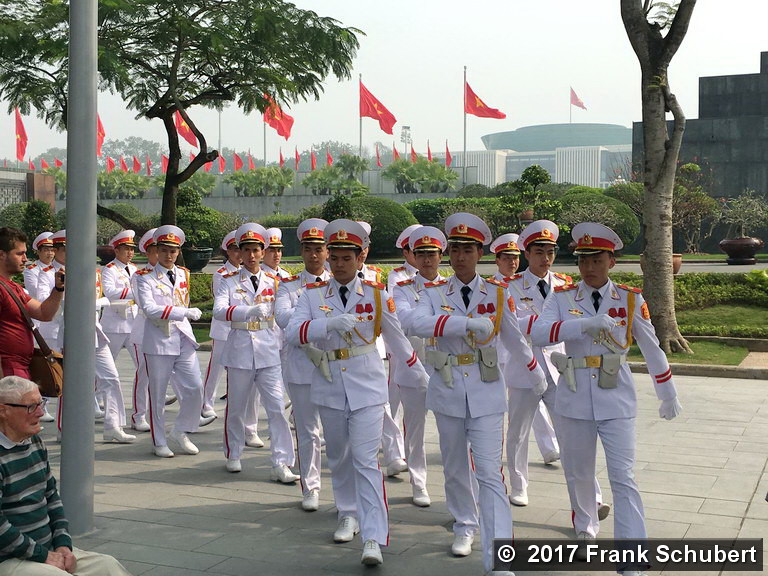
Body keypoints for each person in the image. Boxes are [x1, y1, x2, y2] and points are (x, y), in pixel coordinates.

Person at [531, 222, 682, 576]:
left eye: (596, 259)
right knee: (579, 472)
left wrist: (667, 392)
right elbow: (538, 332)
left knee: (623, 477)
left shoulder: (630, 299)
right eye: (583, 259)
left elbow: (652, 348)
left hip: (616, 398)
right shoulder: (563, 297)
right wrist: (582, 325)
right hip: (573, 395)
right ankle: (585, 527)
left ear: (611, 261)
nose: (588, 267)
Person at [409, 213, 546, 576]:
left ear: (480, 253)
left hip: (486, 390)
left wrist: (535, 374)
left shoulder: (499, 293)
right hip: (449, 387)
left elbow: (516, 338)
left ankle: (500, 553)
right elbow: (416, 323)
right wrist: (463, 323)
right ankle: (464, 525)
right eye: (454, 249)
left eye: (467, 249)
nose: (459, 256)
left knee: (488, 471)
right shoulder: (433, 292)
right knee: (455, 467)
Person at [286, 219, 427, 567]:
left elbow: (397, 339)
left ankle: (374, 536)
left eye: (346, 257)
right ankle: (347, 513)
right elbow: (292, 333)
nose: (339, 264)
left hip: (367, 386)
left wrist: (420, 374)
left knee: (366, 459)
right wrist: (326, 324)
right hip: (330, 384)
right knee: (339, 456)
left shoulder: (378, 295)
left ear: (359, 257)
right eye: (334, 258)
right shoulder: (313, 295)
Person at [0, 375, 133, 575]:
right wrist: (43, 556)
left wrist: (63, 545)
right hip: (10, 558)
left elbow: (52, 497)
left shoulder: (34, 441)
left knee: (109, 567)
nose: (41, 412)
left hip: (46, 550)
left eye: (41, 403)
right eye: (31, 407)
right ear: (4, 410)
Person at [212, 223, 298, 480]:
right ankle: (234, 453)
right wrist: (246, 311)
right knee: (237, 407)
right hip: (239, 348)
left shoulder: (276, 280)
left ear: (263, 252)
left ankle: (282, 461)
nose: (251, 255)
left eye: (256, 250)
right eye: (246, 250)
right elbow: (218, 311)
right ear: (239, 252)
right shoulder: (228, 281)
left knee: (275, 409)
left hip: (269, 349)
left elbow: (285, 311)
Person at [134, 225, 214, 458]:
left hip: (183, 338)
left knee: (195, 388)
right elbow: (149, 309)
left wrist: (183, 316)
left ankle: (180, 430)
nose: (170, 255)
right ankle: (159, 440)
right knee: (158, 394)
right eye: (165, 250)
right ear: (156, 251)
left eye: (174, 250)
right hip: (159, 340)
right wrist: (183, 313)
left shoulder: (183, 273)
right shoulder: (144, 277)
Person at [494, 227, 560, 505]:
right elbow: (505, 326)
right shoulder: (509, 286)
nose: (545, 259)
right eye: (539, 253)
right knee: (518, 431)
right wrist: (536, 325)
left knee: (572, 430)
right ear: (527, 254)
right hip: (523, 367)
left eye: (550, 252)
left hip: (558, 367)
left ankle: (591, 497)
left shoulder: (565, 284)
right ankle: (519, 484)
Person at [390, 225, 451, 508]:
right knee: (414, 429)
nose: (427, 260)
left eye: (432, 254)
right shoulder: (402, 289)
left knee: (451, 431)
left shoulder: (451, 288)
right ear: (413, 256)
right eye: (421, 254)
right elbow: (403, 322)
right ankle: (418, 482)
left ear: (441, 255)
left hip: (446, 368)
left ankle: (455, 487)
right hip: (413, 365)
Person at [274, 218, 331, 511]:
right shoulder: (288, 286)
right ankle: (311, 487)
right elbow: (284, 320)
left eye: (319, 249)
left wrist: (306, 321)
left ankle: (347, 493)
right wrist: (324, 323)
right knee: (308, 431)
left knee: (337, 432)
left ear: (327, 251)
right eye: (308, 249)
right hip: (302, 366)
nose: (313, 254)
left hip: (336, 367)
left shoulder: (339, 283)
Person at [356, 221, 408, 478]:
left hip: (373, 349)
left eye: (365, 246)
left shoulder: (376, 275)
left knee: (384, 403)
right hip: (344, 352)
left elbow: (387, 317)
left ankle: (393, 454)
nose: (363, 251)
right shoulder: (333, 278)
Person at [0, 228, 64, 380]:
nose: (25, 259)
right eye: (19, 254)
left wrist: (58, 288)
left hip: (19, 369)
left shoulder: (13, 287)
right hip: (7, 372)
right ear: (1, 254)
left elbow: (44, 313)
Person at [201, 230, 240, 420]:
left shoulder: (248, 271)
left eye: (241, 249)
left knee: (238, 367)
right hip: (224, 327)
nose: (238, 253)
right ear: (227, 251)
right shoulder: (221, 274)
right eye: (234, 249)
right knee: (215, 367)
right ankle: (206, 403)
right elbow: (222, 302)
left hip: (242, 328)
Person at [100, 231, 139, 409]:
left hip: (133, 322)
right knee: (105, 366)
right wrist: (136, 293)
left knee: (142, 363)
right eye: (126, 249)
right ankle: (94, 398)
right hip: (115, 322)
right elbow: (109, 291)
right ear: (116, 251)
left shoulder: (135, 268)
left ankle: (146, 396)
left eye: (131, 249)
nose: (130, 253)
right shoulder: (109, 269)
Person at [21, 232, 56, 422]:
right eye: (46, 250)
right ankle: (41, 404)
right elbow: (36, 294)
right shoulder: (32, 270)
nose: (50, 253)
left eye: (52, 250)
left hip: (53, 319)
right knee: (45, 364)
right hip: (41, 321)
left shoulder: (56, 269)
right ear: (39, 251)